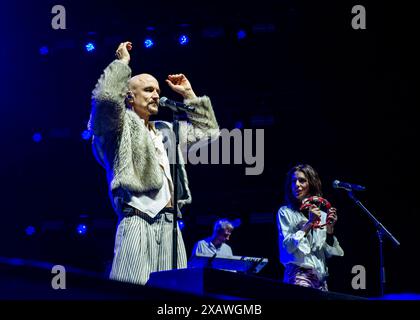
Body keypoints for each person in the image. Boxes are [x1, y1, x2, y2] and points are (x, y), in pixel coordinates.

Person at [88, 41, 219, 285]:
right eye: (148, 90)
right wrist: (121, 65)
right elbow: (105, 101)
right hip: (137, 221)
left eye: (157, 90)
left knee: (177, 295)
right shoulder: (117, 130)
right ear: (129, 97)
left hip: (170, 226)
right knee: (133, 291)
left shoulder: (166, 131)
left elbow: (208, 133)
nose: (156, 95)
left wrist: (189, 95)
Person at [277, 164, 344, 291]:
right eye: (293, 181)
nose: (296, 184)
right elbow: (287, 247)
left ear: (311, 183)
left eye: (302, 180)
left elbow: (328, 254)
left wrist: (330, 230)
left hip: (320, 278)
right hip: (299, 274)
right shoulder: (285, 212)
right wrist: (309, 224)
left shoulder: (322, 216)